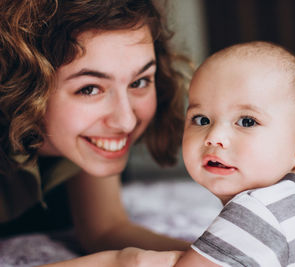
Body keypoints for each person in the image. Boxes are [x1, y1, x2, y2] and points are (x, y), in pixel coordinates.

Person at [0, 0, 189, 265]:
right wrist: (121, 263)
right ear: (25, 84)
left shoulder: (78, 138)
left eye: (139, 82)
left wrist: (210, 257)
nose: (125, 122)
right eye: (89, 89)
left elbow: (106, 228)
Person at [175, 41, 295, 266]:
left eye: (247, 121)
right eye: (202, 119)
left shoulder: (255, 213)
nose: (214, 136)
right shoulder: (288, 203)